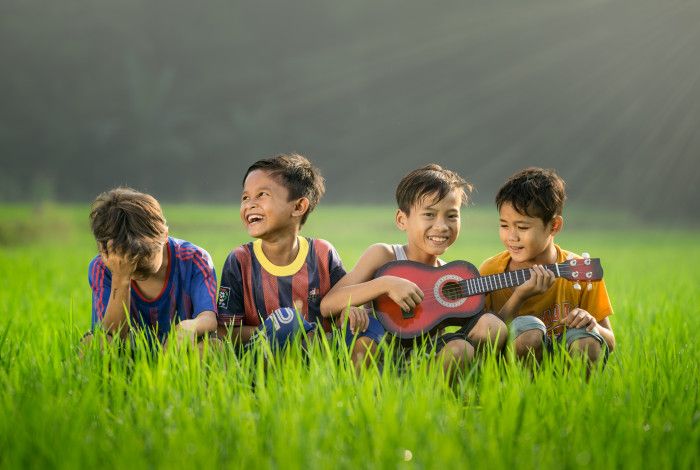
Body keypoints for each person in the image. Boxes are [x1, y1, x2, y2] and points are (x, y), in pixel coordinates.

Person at [320, 164, 507, 379]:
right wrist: (386, 284)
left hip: (424, 361)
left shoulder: (449, 276)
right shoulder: (384, 255)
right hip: (379, 355)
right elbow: (328, 305)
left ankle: (442, 394)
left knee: (473, 341)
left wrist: (522, 291)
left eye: (452, 216)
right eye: (429, 214)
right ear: (402, 220)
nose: (442, 226)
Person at [216, 153, 384, 369]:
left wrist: (349, 311)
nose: (250, 204)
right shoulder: (240, 260)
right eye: (245, 197)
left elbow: (340, 303)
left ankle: (353, 388)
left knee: (371, 324)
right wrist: (290, 330)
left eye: (262, 195)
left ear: (298, 207)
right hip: (263, 360)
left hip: (320, 355)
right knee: (287, 320)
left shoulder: (323, 253)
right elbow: (226, 330)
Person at [479, 167, 615, 366]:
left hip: (563, 362)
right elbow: (483, 342)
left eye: (523, 227)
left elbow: (610, 342)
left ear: (554, 226)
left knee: (587, 342)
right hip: (510, 368)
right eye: (504, 225)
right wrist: (519, 296)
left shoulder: (579, 271)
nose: (511, 236)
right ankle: (524, 395)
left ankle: (574, 396)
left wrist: (592, 325)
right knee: (529, 335)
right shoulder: (490, 271)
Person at [86, 187, 218, 347]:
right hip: (127, 354)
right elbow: (111, 337)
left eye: (142, 256)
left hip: (180, 352)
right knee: (93, 344)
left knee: (213, 347)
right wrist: (120, 277)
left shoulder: (194, 259)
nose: (132, 264)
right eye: (124, 257)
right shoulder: (102, 266)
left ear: (164, 234)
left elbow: (208, 317)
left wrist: (188, 327)